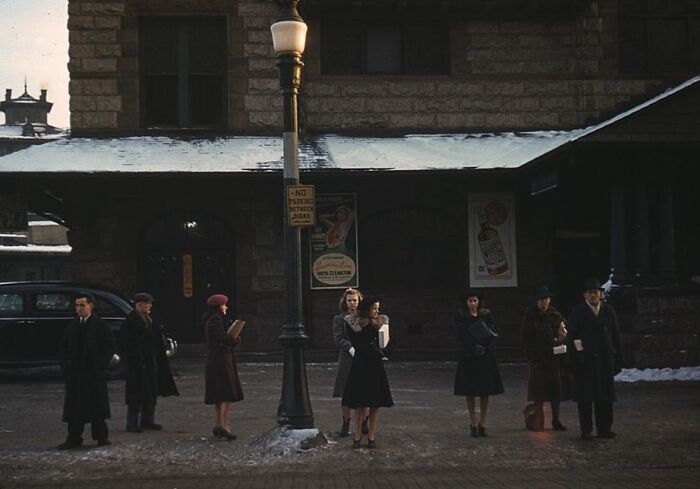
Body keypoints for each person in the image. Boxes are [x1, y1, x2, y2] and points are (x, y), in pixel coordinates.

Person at [58, 293, 117, 449]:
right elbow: (64, 346)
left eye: (82, 305)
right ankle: (74, 438)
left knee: (96, 407)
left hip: (93, 373)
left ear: (91, 306)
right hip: (76, 374)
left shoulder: (100, 325)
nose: (79, 308)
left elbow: (110, 346)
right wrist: (65, 365)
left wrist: (100, 364)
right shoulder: (72, 325)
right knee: (74, 408)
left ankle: (101, 437)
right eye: (77, 305)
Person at [567, 278, 623, 440]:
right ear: (584, 295)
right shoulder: (578, 312)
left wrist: (618, 358)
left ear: (601, 294)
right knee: (585, 399)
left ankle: (604, 428)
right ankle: (586, 429)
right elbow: (572, 337)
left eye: (596, 292)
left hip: (605, 361)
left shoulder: (608, 312)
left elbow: (615, 336)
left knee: (604, 397)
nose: (593, 295)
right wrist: (574, 359)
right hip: (585, 362)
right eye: (590, 292)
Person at [120, 292, 179, 433]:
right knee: (136, 394)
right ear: (140, 305)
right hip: (137, 365)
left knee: (151, 392)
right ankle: (132, 423)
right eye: (148, 303)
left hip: (151, 362)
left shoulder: (149, 321)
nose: (150, 306)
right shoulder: (130, 322)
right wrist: (135, 360)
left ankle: (148, 420)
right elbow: (126, 344)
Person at [341, 297, 393, 448]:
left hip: (375, 364)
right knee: (360, 403)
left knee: (375, 403)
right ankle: (357, 435)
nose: (377, 311)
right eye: (374, 308)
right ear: (367, 309)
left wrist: (385, 351)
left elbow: (389, 342)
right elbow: (357, 342)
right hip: (361, 364)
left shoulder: (381, 323)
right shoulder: (354, 323)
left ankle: (371, 435)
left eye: (378, 308)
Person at [453, 290, 504, 438]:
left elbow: (493, 332)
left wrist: (486, 347)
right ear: (466, 302)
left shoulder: (486, 315)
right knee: (470, 391)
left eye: (475, 301)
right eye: (470, 301)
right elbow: (460, 335)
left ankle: (483, 422)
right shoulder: (461, 316)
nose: (473, 304)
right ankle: (473, 422)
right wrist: (473, 347)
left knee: (484, 391)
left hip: (484, 357)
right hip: (469, 357)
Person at [520, 286, 569, 431]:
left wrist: (562, 338)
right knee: (538, 392)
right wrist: (531, 357)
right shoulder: (530, 315)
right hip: (538, 358)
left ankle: (556, 419)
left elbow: (564, 330)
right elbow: (525, 338)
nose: (545, 302)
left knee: (555, 392)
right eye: (542, 299)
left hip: (553, 358)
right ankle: (537, 419)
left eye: (547, 299)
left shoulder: (554, 314)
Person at [203, 294, 243, 440]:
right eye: (224, 305)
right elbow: (222, 338)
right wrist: (235, 339)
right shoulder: (216, 320)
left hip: (217, 358)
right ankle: (224, 425)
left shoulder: (212, 319)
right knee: (226, 392)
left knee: (220, 394)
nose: (226, 307)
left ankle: (219, 424)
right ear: (218, 307)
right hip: (221, 360)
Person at [332, 288, 369, 438]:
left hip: (364, 357)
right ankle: (345, 423)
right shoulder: (339, 319)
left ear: (359, 301)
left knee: (364, 391)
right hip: (347, 359)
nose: (352, 303)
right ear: (345, 302)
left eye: (354, 300)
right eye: (349, 300)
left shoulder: (365, 317)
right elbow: (338, 338)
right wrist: (350, 347)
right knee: (345, 393)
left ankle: (364, 422)